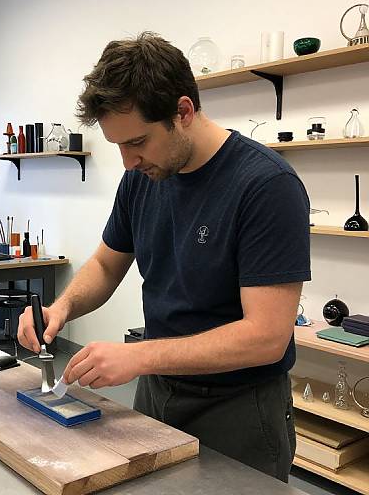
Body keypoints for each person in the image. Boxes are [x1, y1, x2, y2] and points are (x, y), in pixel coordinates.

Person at [18, 32, 310, 482]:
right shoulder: (142, 178)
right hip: (156, 394)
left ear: (184, 112)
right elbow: (104, 265)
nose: (126, 161)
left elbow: (266, 336)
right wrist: (62, 307)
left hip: (239, 408)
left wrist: (139, 357)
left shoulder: (265, 186)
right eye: (117, 145)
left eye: (136, 142)